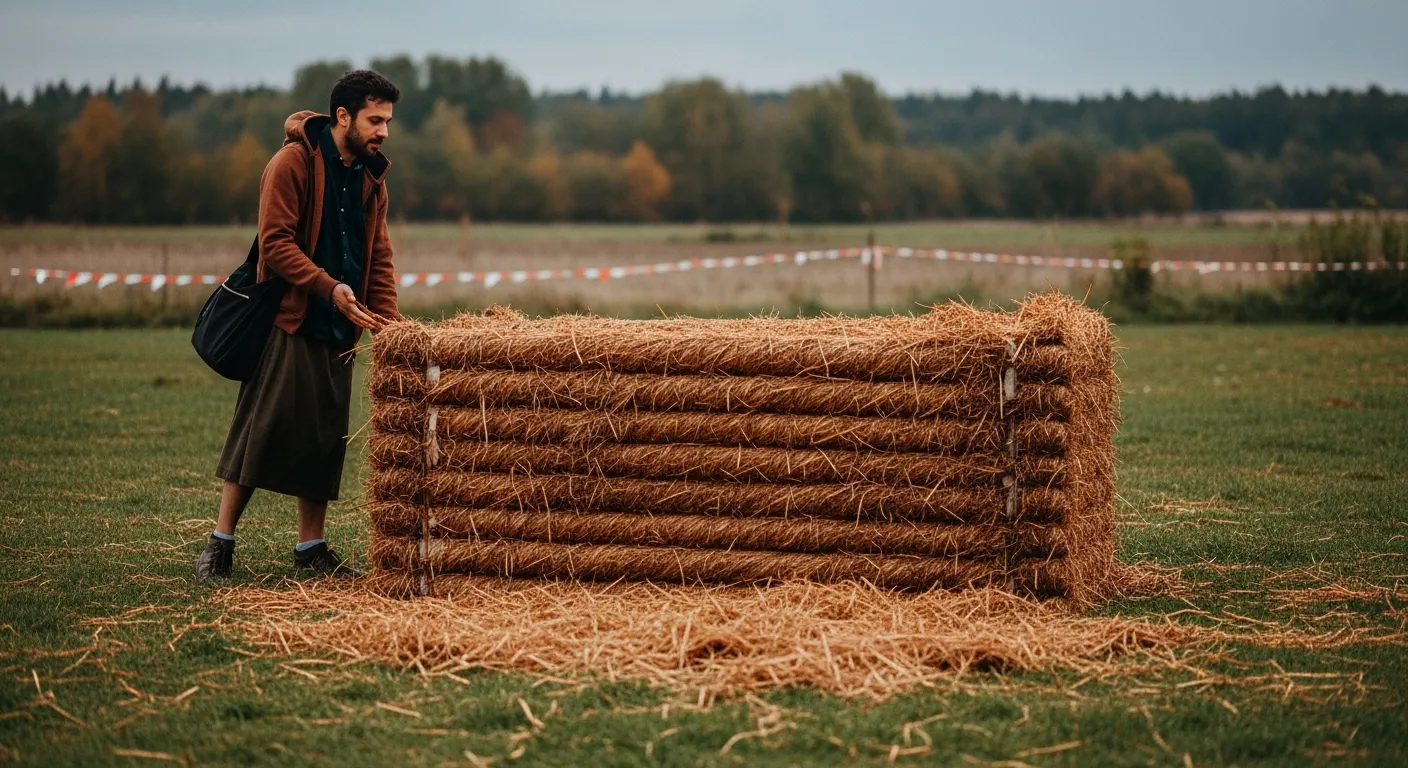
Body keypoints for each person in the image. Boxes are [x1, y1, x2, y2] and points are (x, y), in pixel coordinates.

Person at [196, 70, 402, 582]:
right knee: (259, 430)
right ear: (343, 116)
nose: (383, 131)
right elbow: (275, 245)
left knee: (325, 437)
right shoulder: (291, 163)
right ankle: (219, 546)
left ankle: (310, 550)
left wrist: (393, 326)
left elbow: (377, 256)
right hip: (289, 319)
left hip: (340, 329)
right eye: (374, 120)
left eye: (387, 121)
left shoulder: (372, 178)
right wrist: (329, 287)